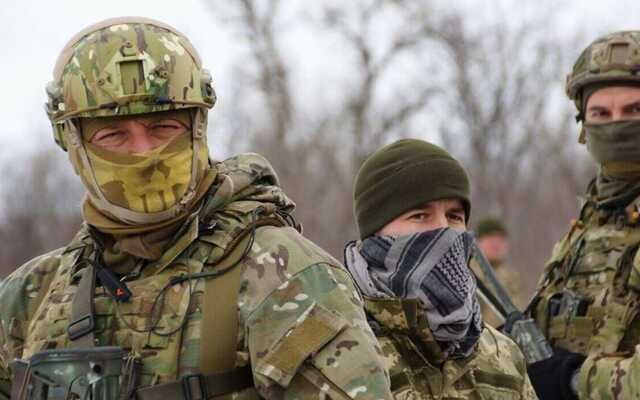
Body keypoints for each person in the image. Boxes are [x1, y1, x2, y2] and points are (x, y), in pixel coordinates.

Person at [0, 17, 392, 400]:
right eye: (114, 134)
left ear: (198, 129)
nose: (144, 153)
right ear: (72, 143)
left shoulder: (280, 273)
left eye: (163, 128)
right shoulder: (30, 296)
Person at [344, 139, 537, 399]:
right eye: (420, 216)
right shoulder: (338, 356)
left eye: (454, 216)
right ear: (375, 232)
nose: (444, 230)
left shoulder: (503, 355)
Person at [525, 30, 640, 400]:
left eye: (634, 110)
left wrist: (572, 379)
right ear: (583, 126)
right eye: (601, 114)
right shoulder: (591, 219)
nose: (616, 125)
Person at [472, 216, 525, 327]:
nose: (496, 244)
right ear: (477, 242)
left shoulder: (512, 279)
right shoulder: (469, 274)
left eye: (500, 239)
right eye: (490, 238)